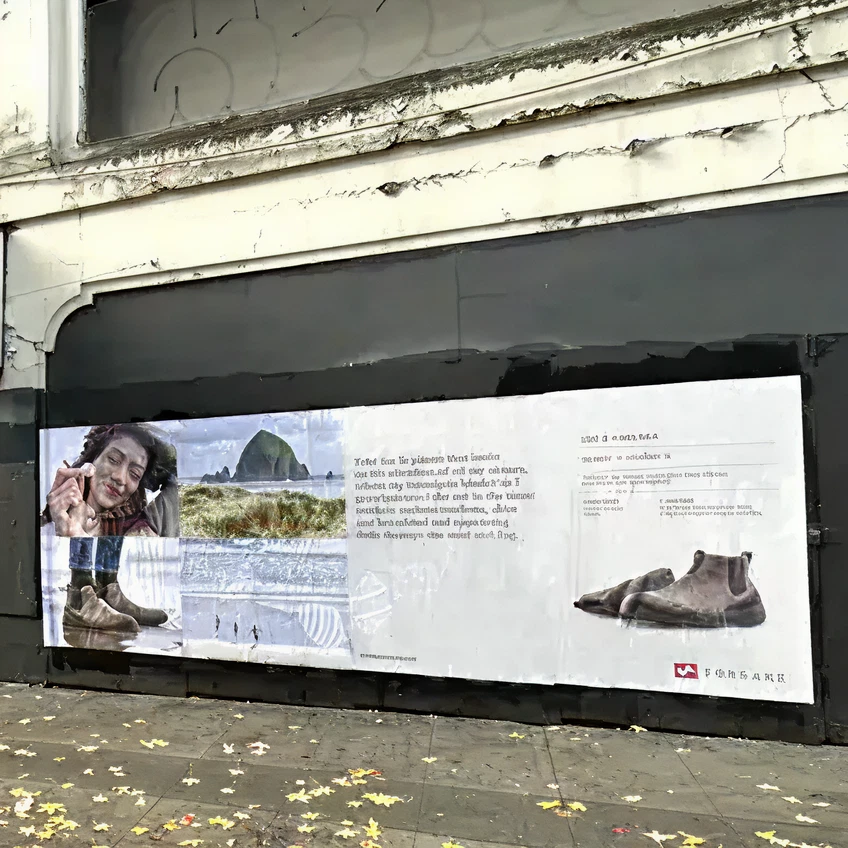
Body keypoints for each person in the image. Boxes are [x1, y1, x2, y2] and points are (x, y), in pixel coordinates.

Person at [43, 423, 178, 633]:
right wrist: (66, 531)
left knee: (115, 523)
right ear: (93, 459)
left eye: (134, 474)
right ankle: (80, 600)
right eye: (113, 460)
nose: (120, 478)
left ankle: (109, 592)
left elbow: (173, 479)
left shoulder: (137, 521)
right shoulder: (56, 513)